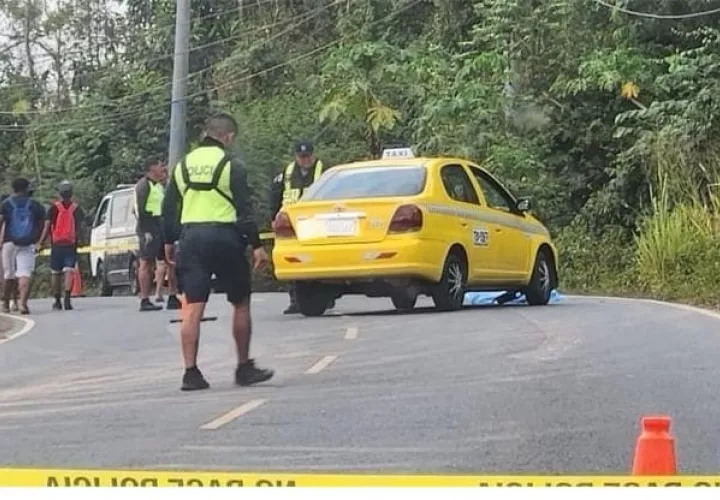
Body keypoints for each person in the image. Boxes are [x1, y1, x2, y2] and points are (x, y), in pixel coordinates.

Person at [163, 112, 274, 391]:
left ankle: (191, 373)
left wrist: (169, 242)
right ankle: (243, 367)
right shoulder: (231, 165)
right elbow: (243, 210)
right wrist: (257, 245)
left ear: (205, 134)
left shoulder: (182, 165)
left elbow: (169, 208)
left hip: (192, 239)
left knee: (193, 305)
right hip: (225, 237)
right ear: (228, 137)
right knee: (240, 301)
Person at [269, 140, 330, 314]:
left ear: (313, 154)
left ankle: (324, 296)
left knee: (318, 261)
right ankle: (295, 300)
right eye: (301, 157)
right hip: (291, 226)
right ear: (296, 156)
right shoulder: (286, 174)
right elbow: (274, 196)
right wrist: (273, 218)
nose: (305, 160)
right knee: (293, 262)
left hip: (319, 224)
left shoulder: (324, 171)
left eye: (308, 156)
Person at [134, 156, 180, 312]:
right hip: (149, 227)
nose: (164, 169)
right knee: (146, 262)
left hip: (161, 224)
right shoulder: (143, 186)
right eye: (161, 166)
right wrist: (145, 231)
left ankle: (173, 296)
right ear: (152, 168)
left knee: (170, 260)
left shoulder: (159, 185)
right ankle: (145, 298)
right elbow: (138, 210)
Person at [0, 178, 47, 315]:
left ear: (13, 189)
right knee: (25, 274)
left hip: (9, 242)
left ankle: (6, 304)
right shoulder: (35, 204)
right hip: (28, 243)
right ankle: (23, 304)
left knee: (8, 274)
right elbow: (44, 223)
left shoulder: (6, 204)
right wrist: (40, 241)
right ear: (26, 188)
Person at [43, 180, 84, 311]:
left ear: (59, 193)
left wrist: (42, 241)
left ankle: (56, 300)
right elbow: (80, 227)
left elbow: (47, 226)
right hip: (71, 244)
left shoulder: (54, 208)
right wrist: (81, 240)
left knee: (55, 272)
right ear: (71, 193)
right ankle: (67, 298)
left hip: (56, 245)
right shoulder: (76, 208)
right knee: (69, 271)